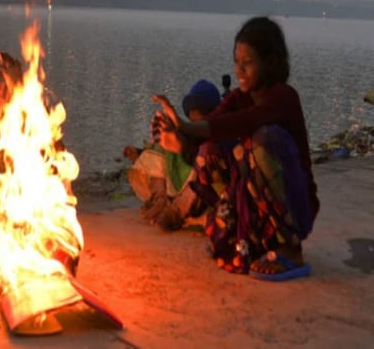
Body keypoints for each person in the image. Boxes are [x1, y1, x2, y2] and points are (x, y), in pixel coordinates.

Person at [152, 16, 319, 281]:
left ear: (272, 62)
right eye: (237, 63)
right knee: (210, 151)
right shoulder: (239, 98)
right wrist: (180, 140)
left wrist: (185, 126)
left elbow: (246, 122)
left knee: (261, 140)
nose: (239, 71)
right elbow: (215, 123)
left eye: (248, 63)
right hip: (258, 201)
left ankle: (291, 248)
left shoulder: (284, 98)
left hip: (296, 207)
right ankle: (254, 239)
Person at [125, 79, 222, 230]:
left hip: (202, 192)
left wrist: (182, 147)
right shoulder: (188, 131)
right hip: (175, 183)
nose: (195, 118)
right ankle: (160, 200)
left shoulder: (219, 134)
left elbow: (201, 159)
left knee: (200, 171)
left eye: (200, 115)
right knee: (160, 150)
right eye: (192, 115)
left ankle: (173, 212)